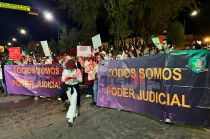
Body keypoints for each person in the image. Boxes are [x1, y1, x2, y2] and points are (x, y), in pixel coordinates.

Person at [61, 59, 82, 126]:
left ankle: (70, 118)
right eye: (69, 66)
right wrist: (66, 78)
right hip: (68, 88)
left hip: (75, 88)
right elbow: (62, 79)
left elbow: (81, 80)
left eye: (72, 66)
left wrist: (76, 78)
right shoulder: (65, 70)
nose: (71, 68)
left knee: (73, 102)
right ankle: (76, 111)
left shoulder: (77, 70)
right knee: (72, 102)